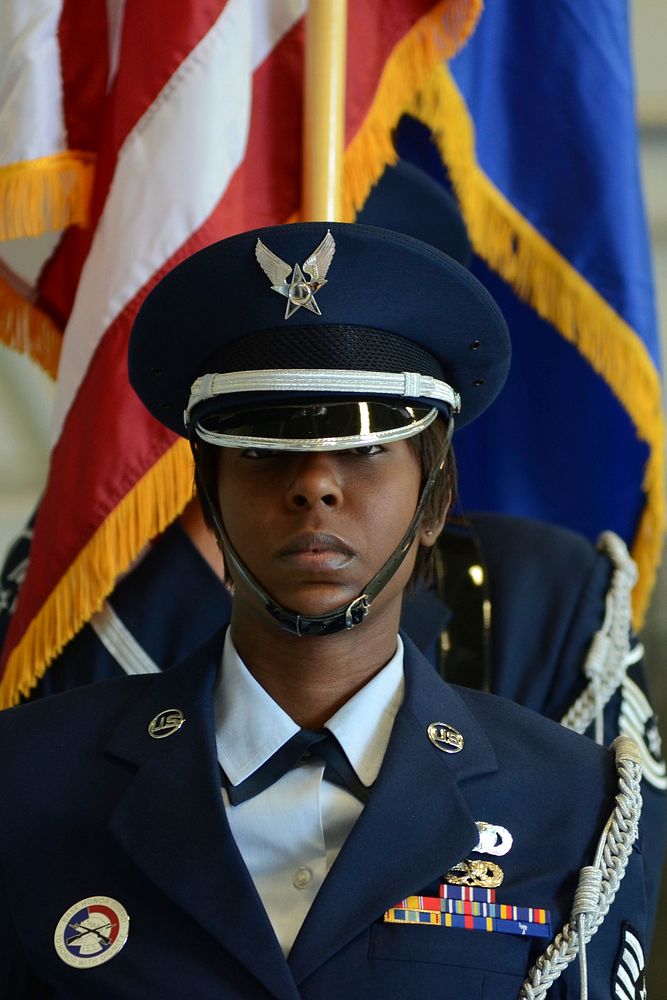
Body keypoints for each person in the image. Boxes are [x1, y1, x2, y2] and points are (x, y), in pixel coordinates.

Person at [0, 221, 647, 996]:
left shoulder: (573, 801)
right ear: (209, 495)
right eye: (262, 448)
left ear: (434, 500)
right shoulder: (26, 779)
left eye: (367, 447)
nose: (313, 484)